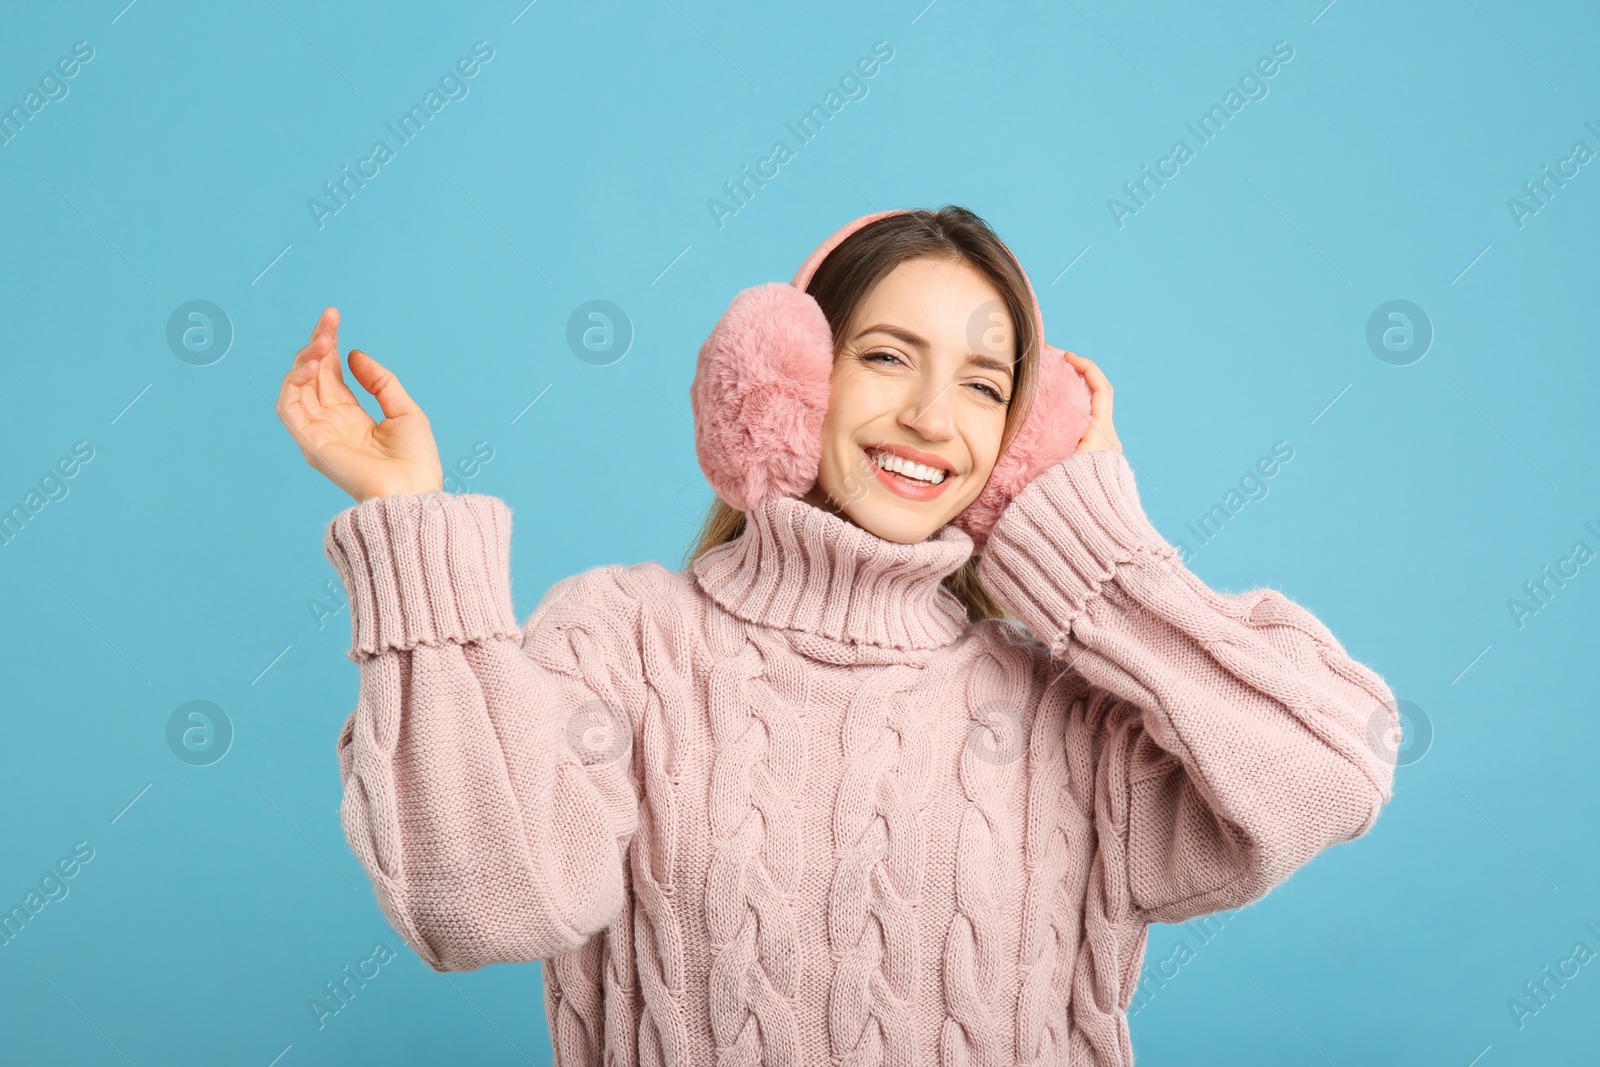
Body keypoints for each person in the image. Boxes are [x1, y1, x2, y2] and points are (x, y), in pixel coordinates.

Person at [275, 206, 1398, 1066]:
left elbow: (1328, 768)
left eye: (982, 383)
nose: (930, 416)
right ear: (783, 385)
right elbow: (476, 898)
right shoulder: (623, 642)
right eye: (886, 356)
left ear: (1018, 442)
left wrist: (1099, 559)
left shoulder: (1060, 707)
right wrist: (414, 542)